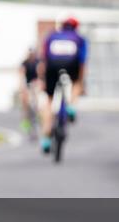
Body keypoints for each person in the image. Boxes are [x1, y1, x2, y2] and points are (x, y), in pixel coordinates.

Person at [38, 17, 88, 152]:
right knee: (76, 83)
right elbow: (83, 63)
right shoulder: (79, 38)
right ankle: (71, 107)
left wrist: (42, 80)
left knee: (48, 100)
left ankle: (46, 138)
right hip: (71, 66)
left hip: (52, 67)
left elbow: (44, 59)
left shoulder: (52, 36)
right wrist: (81, 84)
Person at [19, 48, 40, 139]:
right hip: (27, 84)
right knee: (24, 99)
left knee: (38, 98)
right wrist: (22, 87)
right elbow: (21, 74)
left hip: (35, 83)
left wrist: (39, 82)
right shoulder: (25, 63)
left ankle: (39, 115)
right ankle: (26, 119)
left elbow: (40, 73)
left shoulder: (37, 62)